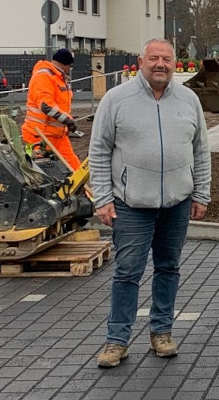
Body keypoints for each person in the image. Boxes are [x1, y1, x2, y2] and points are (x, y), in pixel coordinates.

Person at [89, 39, 211, 367]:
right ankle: (117, 340)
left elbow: (201, 150)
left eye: (167, 59)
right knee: (127, 272)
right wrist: (102, 198)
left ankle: (162, 332)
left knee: (168, 268)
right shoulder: (117, 99)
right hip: (131, 203)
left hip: (177, 202)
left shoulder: (189, 100)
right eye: (154, 58)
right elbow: (98, 151)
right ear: (141, 60)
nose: (160, 64)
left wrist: (201, 193)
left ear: (175, 63)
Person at [22, 48, 82, 170]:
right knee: (45, 173)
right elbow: (46, 106)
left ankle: (81, 190)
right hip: (39, 136)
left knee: (75, 170)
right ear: (64, 65)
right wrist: (68, 120)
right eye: (70, 66)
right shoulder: (43, 76)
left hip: (58, 135)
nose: (70, 70)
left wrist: (66, 121)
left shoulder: (59, 78)